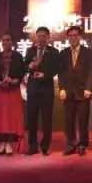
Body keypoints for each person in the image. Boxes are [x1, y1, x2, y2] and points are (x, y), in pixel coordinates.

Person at [58, 26, 92, 156]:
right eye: (71, 35)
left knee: (83, 121)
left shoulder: (88, 52)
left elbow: (91, 71)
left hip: (83, 92)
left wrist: (89, 88)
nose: (73, 38)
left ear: (80, 37)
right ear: (68, 37)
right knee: (69, 120)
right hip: (68, 92)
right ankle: (71, 143)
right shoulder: (63, 53)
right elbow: (61, 73)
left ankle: (82, 144)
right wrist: (61, 88)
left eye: (75, 35)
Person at [0, 31, 26, 156]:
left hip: (13, 90)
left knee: (11, 117)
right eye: (4, 40)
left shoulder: (18, 56)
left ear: (12, 42)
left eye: (8, 40)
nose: (6, 42)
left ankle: (9, 143)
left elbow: (22, 72)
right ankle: (2, 143)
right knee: (0, 117)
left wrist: (14, 80)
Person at [24, 26, 60, 156]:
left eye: (44, 36)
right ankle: (32, 145)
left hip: (46, 90)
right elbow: (24, 67)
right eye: (39, 36)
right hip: (33, 89)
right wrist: (29, 66)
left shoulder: (54, 52)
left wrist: (45, 75)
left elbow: (57, 68)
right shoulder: (30, 50)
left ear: (48, 37)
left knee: (47, 120)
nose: (41, 38)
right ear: (36, 37)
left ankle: (45, 146)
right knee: (31, 119)